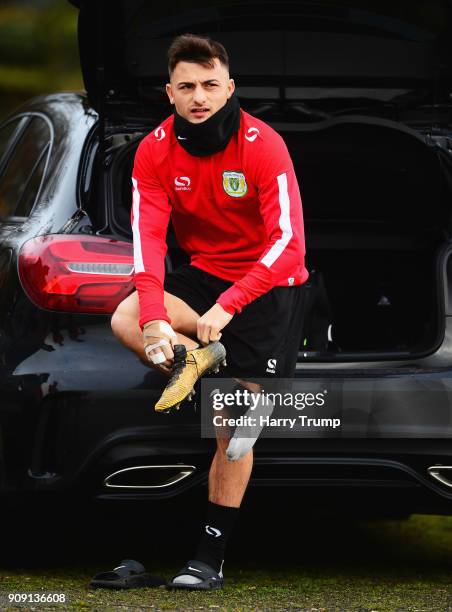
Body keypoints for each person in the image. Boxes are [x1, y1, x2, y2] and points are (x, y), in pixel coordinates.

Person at [111, 33, 309, 590]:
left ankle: (208, 560)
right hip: (205, 274)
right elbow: (147, 240)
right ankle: (201, 361)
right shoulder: (153, 149)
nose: (200, 96)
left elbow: (289, 244)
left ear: (230, 88)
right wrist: (153, 317)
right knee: (125, 317)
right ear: (169, 92)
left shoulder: (262, 143)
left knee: (232, 430)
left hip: (270, 283)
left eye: (210, 85)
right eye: (188, 86)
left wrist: (227, 304)